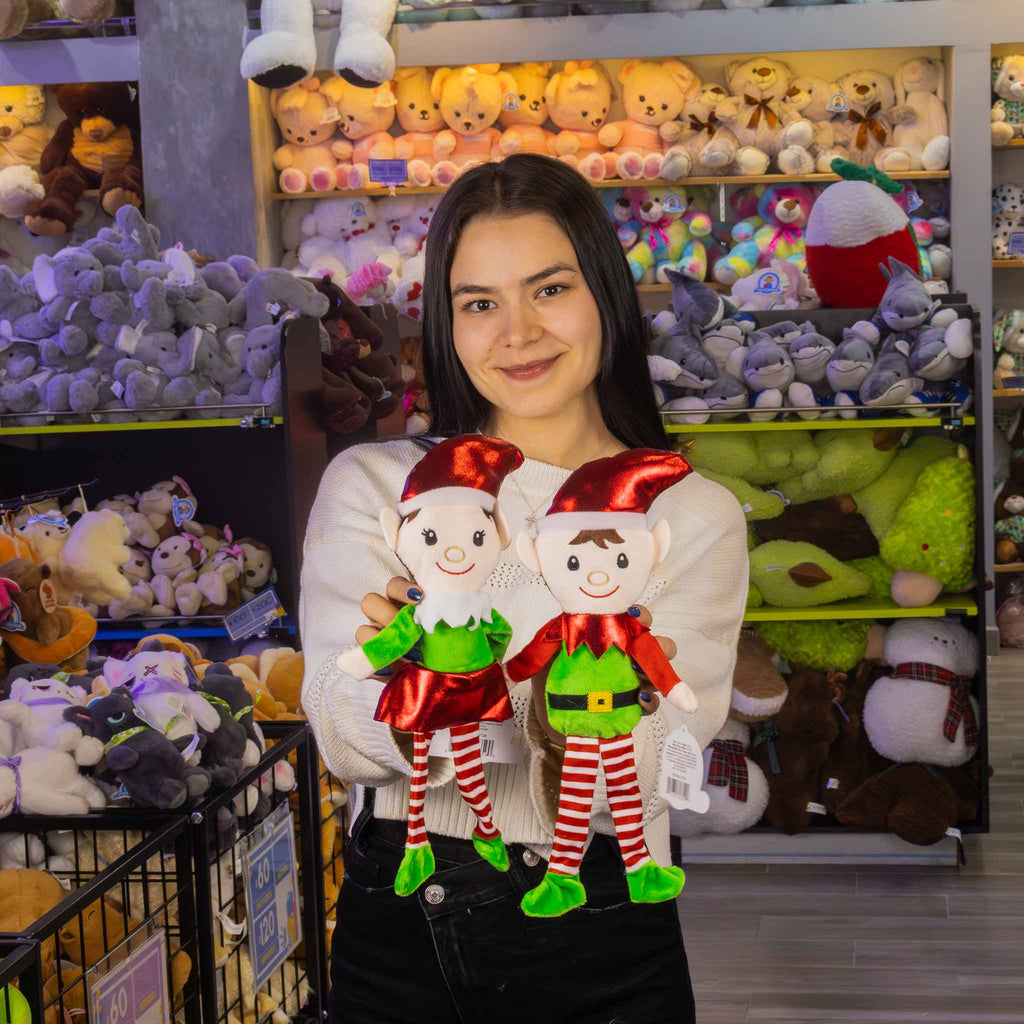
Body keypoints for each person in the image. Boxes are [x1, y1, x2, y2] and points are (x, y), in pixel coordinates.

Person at [300, 153, 749, 1024]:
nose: (517, 332)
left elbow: (655, 770)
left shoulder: (690, 513)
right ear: (446, 323)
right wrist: (580, 671)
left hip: (600, 926)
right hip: (402, 923)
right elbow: (342, 733)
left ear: (606, 298)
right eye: (479, 303)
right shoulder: (377, 485)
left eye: (549, 289)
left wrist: (438, 676)